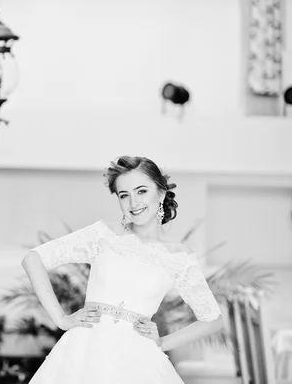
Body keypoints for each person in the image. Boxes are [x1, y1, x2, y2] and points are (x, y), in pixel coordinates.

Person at [21, 156, 224, 383]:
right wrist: (62, 319)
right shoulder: (103, 235)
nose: (133, 202)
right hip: (83, 353)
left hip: (138, 361)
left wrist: (162, 342)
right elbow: (33, 259)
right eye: (123, 195)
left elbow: (212, 320)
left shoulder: (179, 257)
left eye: (141, 191)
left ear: (161, 193)